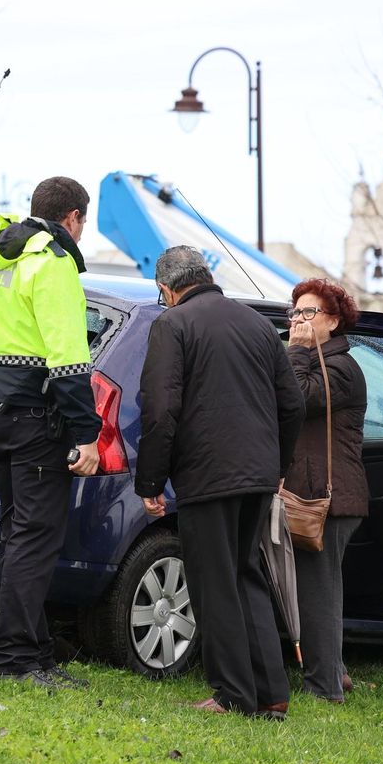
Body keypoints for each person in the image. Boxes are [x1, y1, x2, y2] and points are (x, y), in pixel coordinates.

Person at [135, 246, 304, 718]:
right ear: (206, 276)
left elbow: (160, 409)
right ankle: (271, 694)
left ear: (167, 289)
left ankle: (232, 694)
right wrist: (277, 465)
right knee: (247, 574)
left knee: (214, 583)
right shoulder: (257, 323)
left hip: (207, 473)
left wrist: (150, 480)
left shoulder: (172, 324)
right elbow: (292, 404)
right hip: (258, 475)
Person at [0, 176, 101, 691]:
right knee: (35, 540)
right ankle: (17, 659)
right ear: (73, 217)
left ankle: (35, 651)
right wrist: (87, 433)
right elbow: (68, 359)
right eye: (84, 222)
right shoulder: (52, 262)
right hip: (38, 417)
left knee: (19, 533)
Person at [284, 279, 368, 703]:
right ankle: (335, 673)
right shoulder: (313, 361)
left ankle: (324, 687)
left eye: (309, 312)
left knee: (317, 593)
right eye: (295, 312)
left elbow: (299, 399)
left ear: (333, 321)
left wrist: (297, 351)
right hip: (308, 493)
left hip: (329, 500)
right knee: (314, 589)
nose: (298, 320)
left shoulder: (342, 369)